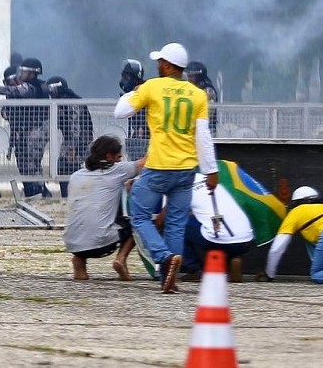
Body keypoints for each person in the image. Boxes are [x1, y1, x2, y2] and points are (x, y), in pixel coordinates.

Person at [114, 42, 218, 293]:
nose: (157, 65)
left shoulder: (152, 87)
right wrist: (212, 171)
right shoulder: (197, 94)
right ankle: (168, 278)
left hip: (159, 166)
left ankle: (163, 257)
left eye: (159, 61)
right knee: (176, 223)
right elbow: (203, 136)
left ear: (168, 65)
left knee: (138, 215)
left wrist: (135, 91)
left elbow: (120, 112)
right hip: (187, 170)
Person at [63, 135, 145, 281]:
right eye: (119, 157)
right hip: (101, 244)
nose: (121, 160)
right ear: (109, 156)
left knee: (87, 217)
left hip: (72, 243)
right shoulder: (116, 170)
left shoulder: (76, 175)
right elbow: (146, 162)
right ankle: (121, 259)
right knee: (138, 222)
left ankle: (79, 263)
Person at [0, 58, 51, 198]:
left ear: (33, 73)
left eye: (24, 72)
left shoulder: (33, 87)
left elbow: (11, 93)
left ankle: (40, 193)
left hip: (35, 131)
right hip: (22, 133)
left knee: (31, 165)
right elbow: (6, 112)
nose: (21, 75)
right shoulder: (20, 91)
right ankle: (32, 193)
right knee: (23, 165)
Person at [181, 170, 254, 283]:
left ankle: (194, 269)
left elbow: (165, 218)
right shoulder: (212, 180)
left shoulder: (182, 187)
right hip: (246, 241)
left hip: (217, 241)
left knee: (179, 223)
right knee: (213, 223)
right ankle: (234, 258)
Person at [264, 186, 323, 284]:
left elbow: (277, 248)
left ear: (296, 202)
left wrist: (269, 273)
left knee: (318, 274)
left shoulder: (297, 211)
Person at [46, 76, 93, 198]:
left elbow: (75, 126)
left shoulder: (71, 102)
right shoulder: (63, 101)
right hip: (73, 141)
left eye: (51, 90)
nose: (50, 94)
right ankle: (68, 197)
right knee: (64, 167)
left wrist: (72, 148)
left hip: (77, 143)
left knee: (69, 168)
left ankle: (72, 197)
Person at [118, 59, 149, 160]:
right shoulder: (131, 95)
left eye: (126, 77)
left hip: (146, 135)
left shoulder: (145, 91)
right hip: (137, 135)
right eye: (123, 76)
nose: (123, 80)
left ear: (135, 78)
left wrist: (143, 128)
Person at [186, 61, 218, 136]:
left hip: (206, 130)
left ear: (198, 76)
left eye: (191, 76)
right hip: (194, 130)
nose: (189, 78)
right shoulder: (192, 88)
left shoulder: (208, 90)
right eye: (188, 76)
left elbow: (209, 113)